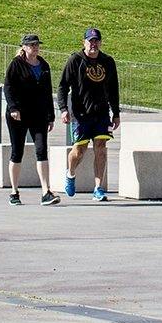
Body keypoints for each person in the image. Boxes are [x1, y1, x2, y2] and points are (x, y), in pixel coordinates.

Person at [59, 26, 120, 200]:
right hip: (81, 114)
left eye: (96, 41)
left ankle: (98, 188)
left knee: (101, 148)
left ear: (100, 43)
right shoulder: (75, 60)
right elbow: (63, 86)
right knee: (79, 150)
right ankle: (70, 174)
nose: (93, 44)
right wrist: (64, 109)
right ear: (84, 42)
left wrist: (116, 113)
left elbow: (113, 89)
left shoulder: (108, 62)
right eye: (90, 41)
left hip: (101, 113)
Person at [2, 33, 59, 205]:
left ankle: (45, 191)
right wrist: (13, 108)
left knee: (41, 150)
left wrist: (51, 115)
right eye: (32, 44)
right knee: (17, 151)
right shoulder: (16, 64)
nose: (35, 47)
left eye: (37, 44)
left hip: (39, 114)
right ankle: (14, 192)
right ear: (24, 47)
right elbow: (8, 87)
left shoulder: (43, 65)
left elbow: (48, 91)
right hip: (18, 114)